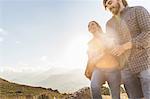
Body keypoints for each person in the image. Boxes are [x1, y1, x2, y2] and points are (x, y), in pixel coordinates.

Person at [103, 0, 150, 98]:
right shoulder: (109, 24)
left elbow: (148, 33)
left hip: (145, 63)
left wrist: (125, 46)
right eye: (107, 6)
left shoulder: (138, 10)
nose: (109, 7)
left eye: (110, 2)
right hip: (125, 69)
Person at [85, 21, 121, 99]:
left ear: (98, 26)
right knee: (94, 86)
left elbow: (114, 49)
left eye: (92, 24)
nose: (90, 26)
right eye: (88, 26)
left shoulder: (107, 37)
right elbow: (92, 59)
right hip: (98, 69)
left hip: (113, 68)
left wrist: (101, 52)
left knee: (115, 95)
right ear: (89, 30)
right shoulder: (90, 43)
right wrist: (101, 54)